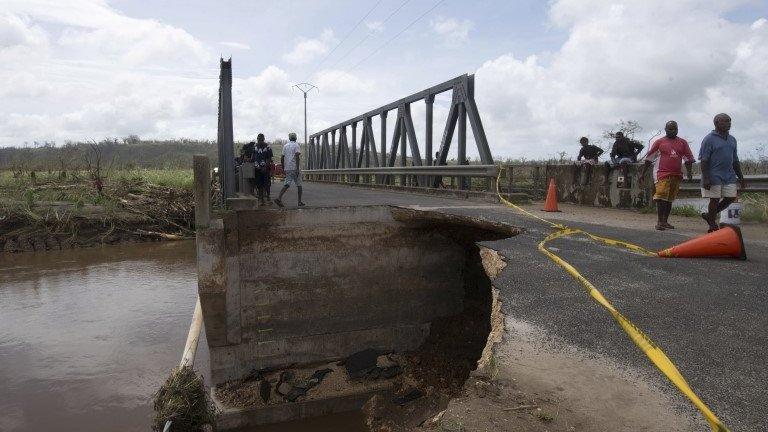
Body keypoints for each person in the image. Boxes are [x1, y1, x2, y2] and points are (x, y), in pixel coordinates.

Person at [639, 121, 694, 230]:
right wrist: (643, 173)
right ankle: (659, 221)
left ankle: (665, 221)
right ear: (665, 129)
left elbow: (688, 159)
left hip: (676, 174)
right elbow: (649, 159)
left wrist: (689, 172)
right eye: (670, 129)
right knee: (661, 196)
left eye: (675, 129)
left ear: (677, 129)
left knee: (669, 199)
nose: (672, 131)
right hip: (661, 173)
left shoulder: (683, 143)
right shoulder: (659, 142)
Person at [699, 113, 746, 232]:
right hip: (713, 174)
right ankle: (712, 224)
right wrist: (706, 177)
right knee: (714, 199)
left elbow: (735, 160)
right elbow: (704, 160)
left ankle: (710, 216)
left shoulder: (732, 139)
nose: (728, 123)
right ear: (716, 123)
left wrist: (741, 177)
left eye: (729, 121)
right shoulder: (709, 139)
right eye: (725, 121)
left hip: (729, 175)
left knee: (731, 197)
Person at [274, 132, 305, 207]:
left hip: (287, 168)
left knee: (287, 184)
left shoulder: (285, 146)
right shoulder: (296, 145)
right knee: (299, 185)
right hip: (294, 168)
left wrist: (283, 167)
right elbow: (297, 156)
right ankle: (299, 202)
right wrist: (297, 169)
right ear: (296, 138)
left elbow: (282, 157)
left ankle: (279, 198)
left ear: (289, 138)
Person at [253, 133, 273, 206]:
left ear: (263, 139)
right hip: (257, 168)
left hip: (265, 168)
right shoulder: (255, 146)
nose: (259, 141)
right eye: (258, 139)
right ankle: (261, 199)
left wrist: (265, 167)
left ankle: (268, 197)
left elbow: (269, 158)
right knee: (259, 184)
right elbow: (253, 156)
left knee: (267, 184)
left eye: (261, 139)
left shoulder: (268, 147)